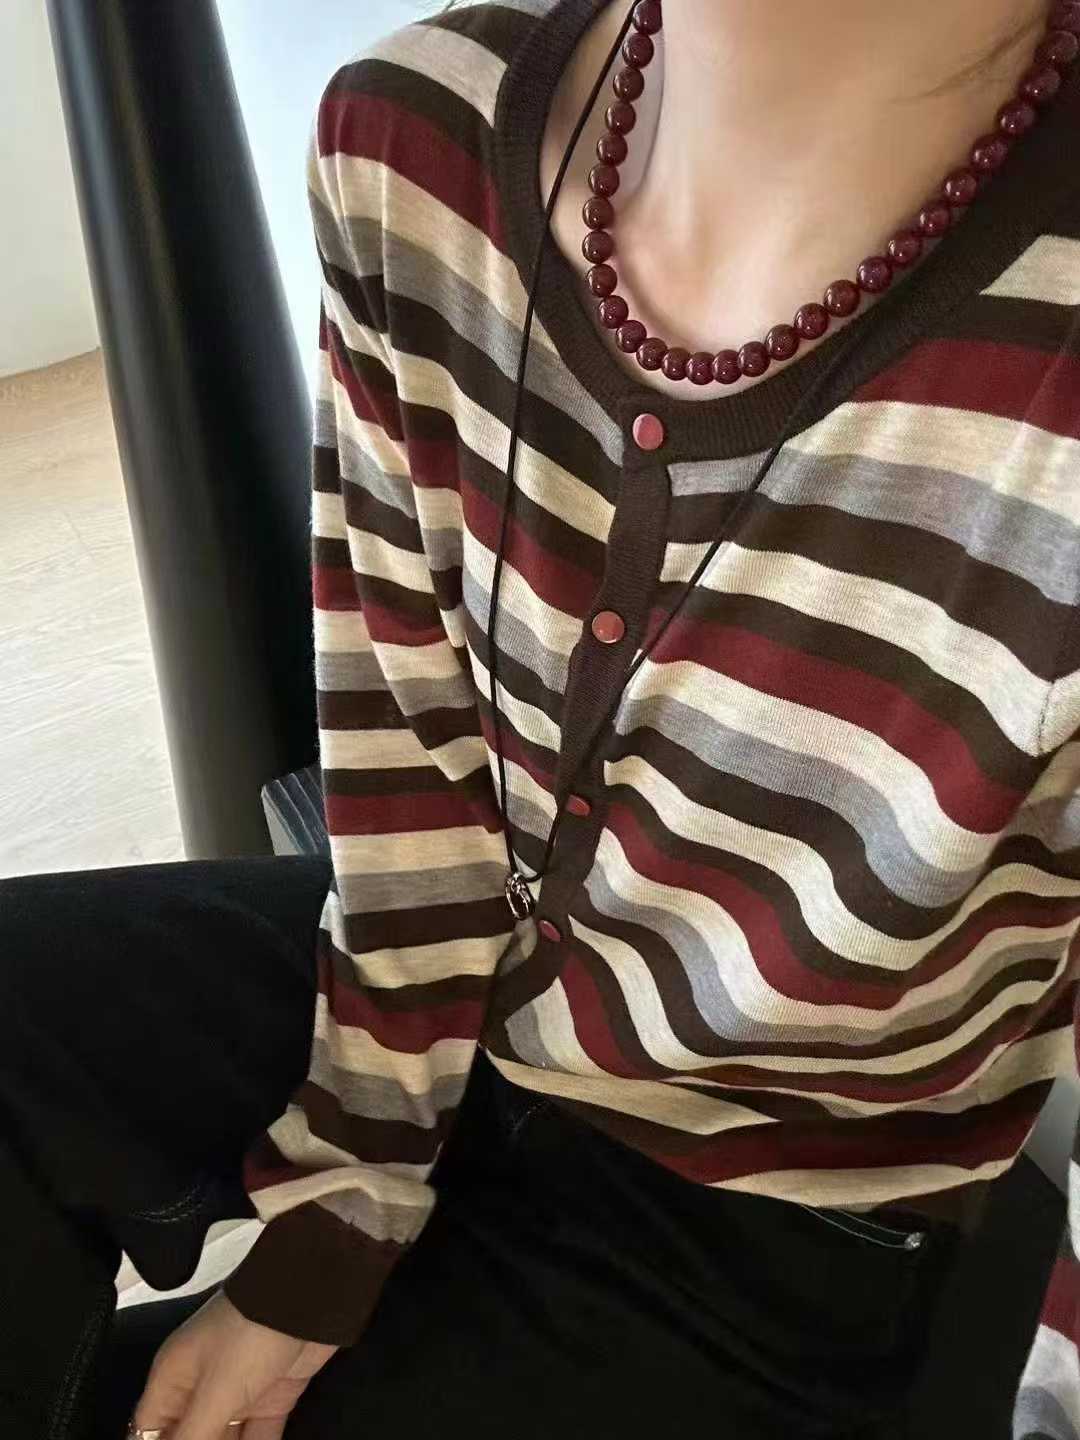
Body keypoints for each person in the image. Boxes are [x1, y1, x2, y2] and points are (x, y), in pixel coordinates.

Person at [4, 0, 1080, 1436]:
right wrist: (349, 1196)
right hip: (445, 993)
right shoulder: (418, 135)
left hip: (788, 1210)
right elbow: (408, 749)